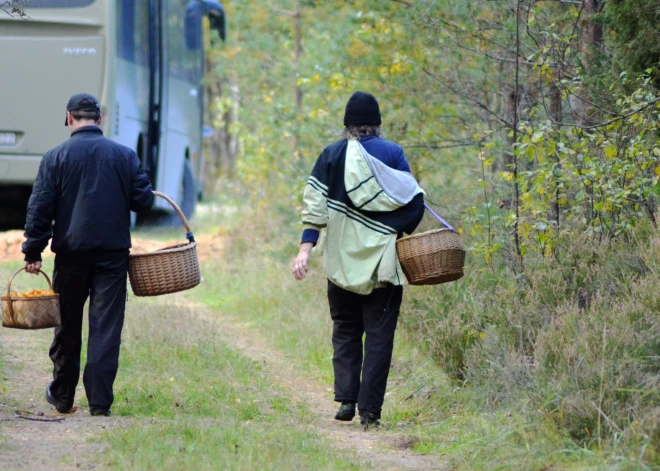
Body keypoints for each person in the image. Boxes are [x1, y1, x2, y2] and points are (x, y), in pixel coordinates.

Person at [292, 91, 425, 426]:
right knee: (379, 337)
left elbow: (314, 208)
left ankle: (347, 401)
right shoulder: (392, 153)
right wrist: (395, 229)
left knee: (346, 329)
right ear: (376, 124)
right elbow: (413, 204)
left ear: (347, 124)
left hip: (339, 264)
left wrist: (305, 249)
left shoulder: (332, 154)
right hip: (383, 265)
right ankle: (370, 412)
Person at [22, 93, 155, 416]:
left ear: (69, 118)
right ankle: (99, 402)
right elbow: (145, 202)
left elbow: (40, 207)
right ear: (100, 119)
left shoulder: (55, 157)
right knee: (106, 327)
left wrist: (33, 249)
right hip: (112, 257)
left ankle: (63, 395)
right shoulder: (124, 156)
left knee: (66, 324)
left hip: (70, 255)